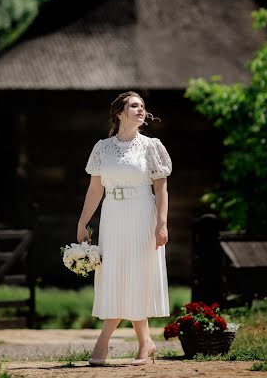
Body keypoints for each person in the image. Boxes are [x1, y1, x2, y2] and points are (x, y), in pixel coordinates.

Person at [77, 91, 172, 366]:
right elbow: (95, 189)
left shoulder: (151, 146)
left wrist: (161, 224)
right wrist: (82, 222)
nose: (140, 109)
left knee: (137, 276)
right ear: (120, 113)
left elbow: (161, 187)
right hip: (113, 216)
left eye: (142, 106)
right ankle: (145, 342)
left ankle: (104, 342)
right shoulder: (102, 148)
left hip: (142, 213)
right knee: (113, 275)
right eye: (134, 106)